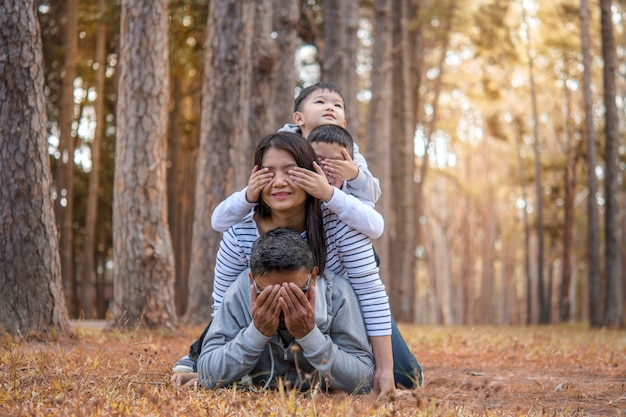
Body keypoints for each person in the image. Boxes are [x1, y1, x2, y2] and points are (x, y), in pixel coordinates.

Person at [174, 132, 422, 397]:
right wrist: (215, 366)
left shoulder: (340, 222)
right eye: (268, 172)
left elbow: (370, 294)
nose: (279, 182)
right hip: (260, 320)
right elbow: (224, 303)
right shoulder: (238, 231)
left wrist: (384, 371)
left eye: (291, 171)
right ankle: (195, 354)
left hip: (336, 313)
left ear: (312, 173)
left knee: (405, 375)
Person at [188, 228, 375, 393]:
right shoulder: (240, 291)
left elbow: (363, 379)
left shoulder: (337, 294)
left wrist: (309, 336)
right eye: (268, 294)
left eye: (296, 292)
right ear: (251, 280)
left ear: (314, 276)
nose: (283, 304)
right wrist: (256, 334)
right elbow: (207, 373)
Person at [210, 82, 381, 235]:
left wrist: (355, 175)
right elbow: (219, 221)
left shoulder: (350, 154)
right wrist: (249, 196)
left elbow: (371, 198)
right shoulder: (280, 149)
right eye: (320, 102)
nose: (330, 108)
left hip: (337, 230)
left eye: (337, 105)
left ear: (344, 124)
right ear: (299, 118)